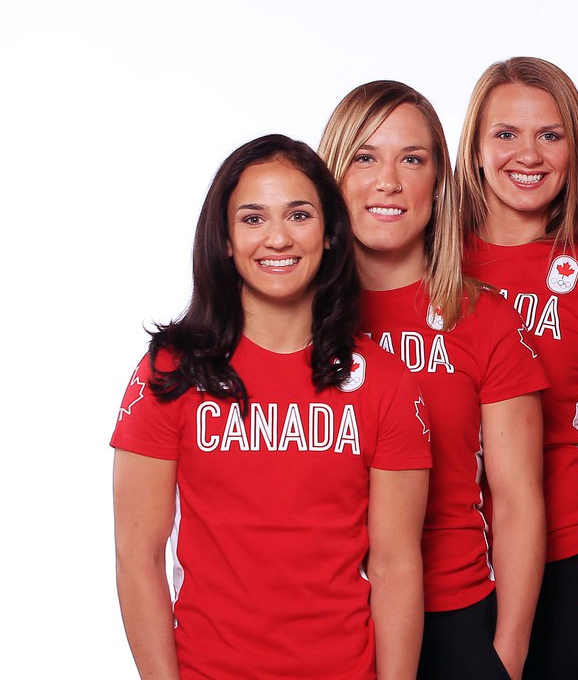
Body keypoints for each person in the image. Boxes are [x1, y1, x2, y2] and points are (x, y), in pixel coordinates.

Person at [112, 134, 432, 680]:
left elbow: (396, 566)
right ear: (226, 240)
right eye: (254, 219)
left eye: (299, 215)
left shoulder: (385, 381)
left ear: (330, 235)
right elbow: (137, 554)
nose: (278, 238)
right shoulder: (170, 373)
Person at [318, 82, 548, 680]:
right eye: (365, 157)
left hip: (455, 615)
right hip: (327, 621)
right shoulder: (293, 322)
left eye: (412, 158)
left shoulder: (487, 319)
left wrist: (508, 653)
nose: (388, 180)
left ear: (438, 181)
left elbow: (518, 499)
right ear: (332, 177)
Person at [455, 56, 578, 679]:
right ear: (476, 148)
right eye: (506, 134)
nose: (529, 154)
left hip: (567, 561)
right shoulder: (430, 263)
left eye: (550, 134)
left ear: (576, 149)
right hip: (447, 565)